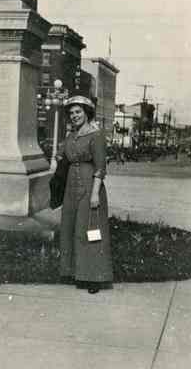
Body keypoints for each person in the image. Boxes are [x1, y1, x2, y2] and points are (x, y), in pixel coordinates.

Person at [56, 96, 113, 294]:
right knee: (70, 229)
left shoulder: (96, 135)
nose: (74, 116)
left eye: (78, 112)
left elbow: (101, 167)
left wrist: (95, 193)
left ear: (87, 112)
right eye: (71, 113)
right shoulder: (70, 136)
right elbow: (64, 158)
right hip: (71, 188)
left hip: (90, 187)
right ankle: (72, 272)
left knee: (90, 231)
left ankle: (94, 278)